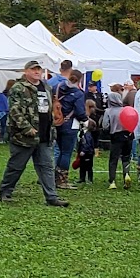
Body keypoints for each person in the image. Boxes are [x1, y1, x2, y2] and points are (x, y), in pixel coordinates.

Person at [0, 61, 67, 206]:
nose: (37, 72)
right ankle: (5, 191)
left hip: (44, 133)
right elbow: (14, 110)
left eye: (38, 69)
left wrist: (53, 121)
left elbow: (50, 107)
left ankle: (51, 197)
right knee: (16, 166)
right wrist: (26, 128)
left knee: (46, 166)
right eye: (33, 69)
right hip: (24, 136)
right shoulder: (19, 87)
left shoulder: (46, 87)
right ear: (26, 71)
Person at [53, 62, 84, 190]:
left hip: (57, 121)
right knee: (66, 153)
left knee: (59, 151)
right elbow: (80, 112)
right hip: (70, 124)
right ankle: (62, 180)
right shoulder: (78, 93)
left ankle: (55, 178)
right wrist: (86, 120)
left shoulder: (57, 87)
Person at [103, 88, 134, 189]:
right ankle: (126, 175)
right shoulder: (126, 110)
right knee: (126, 158)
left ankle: (112, 181)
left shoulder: (109, 111)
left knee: (113, 159)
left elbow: (105, 125)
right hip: (128, 135)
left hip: (116, 136)